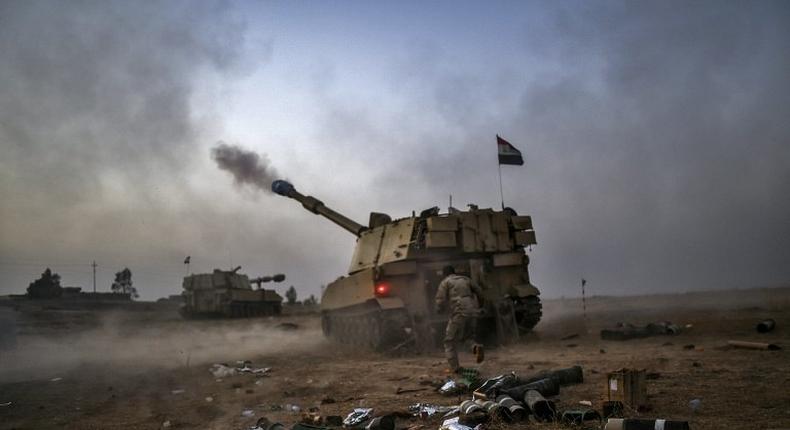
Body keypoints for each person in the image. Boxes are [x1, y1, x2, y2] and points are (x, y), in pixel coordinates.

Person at [434, 265, 485, 373]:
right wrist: (480, 305)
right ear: (454, 272)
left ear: (445, 274)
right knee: (467, 338)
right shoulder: (466, 279)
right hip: (472, 311)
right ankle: (476, 347)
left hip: (459, 312)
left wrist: (439, 310)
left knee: (449, 341)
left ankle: (455, 368)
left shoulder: (446, 282)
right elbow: (479, 291)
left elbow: (440, 299)